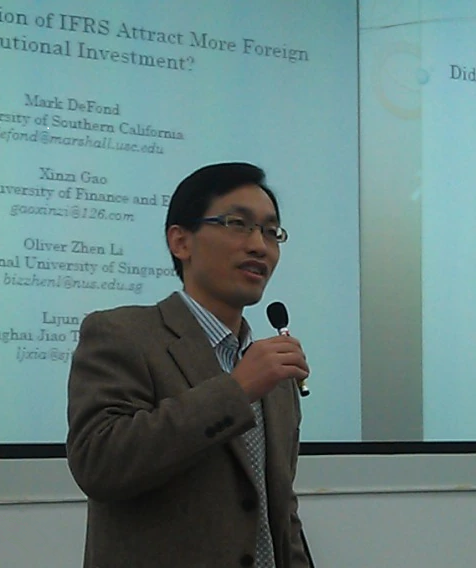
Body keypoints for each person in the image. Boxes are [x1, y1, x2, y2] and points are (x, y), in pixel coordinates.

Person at [66, 162, 311, 568]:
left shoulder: (273, 373)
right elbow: (99, 464)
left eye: (272, 232)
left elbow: (281, 513)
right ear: (181, 242)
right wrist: (237, 391)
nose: (259, 245)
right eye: (238, 224)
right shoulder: (122, 334)